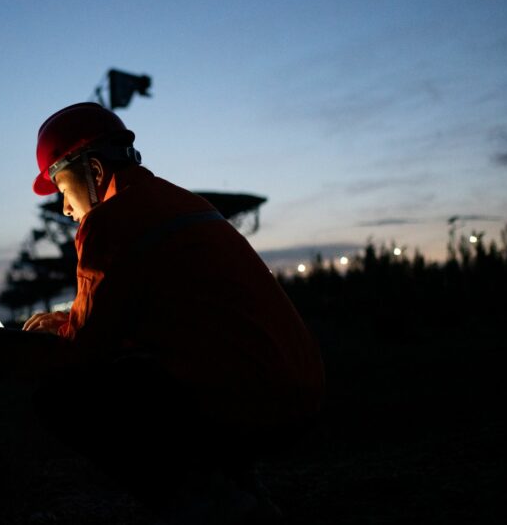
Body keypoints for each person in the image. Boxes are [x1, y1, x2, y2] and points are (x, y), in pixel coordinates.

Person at [22, 102, 325, 522]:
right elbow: (151, 311)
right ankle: (235, 485)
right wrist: (68, 322)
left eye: (61, 190)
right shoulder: (181, 202)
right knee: (141, 370)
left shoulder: (109, 221)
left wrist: (26, 349)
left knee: (61, 396)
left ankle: (202, 505)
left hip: (251, 406)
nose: (65, 209)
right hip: (300, 393)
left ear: (93, 172)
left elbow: (84, 352)